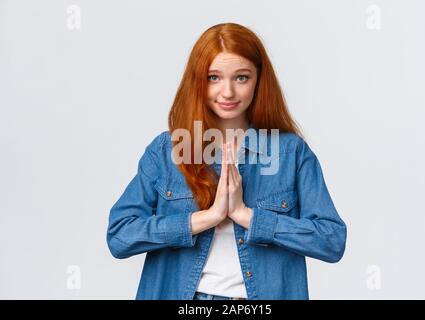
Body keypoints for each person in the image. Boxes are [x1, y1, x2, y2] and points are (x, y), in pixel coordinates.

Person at [106, 22, 347, 300]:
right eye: (214, 78)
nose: (228, 92)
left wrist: (248, 217)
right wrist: (207, 218)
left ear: (258, 80)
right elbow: (120, 236)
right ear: (197, 81)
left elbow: (331, 241)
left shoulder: (291, 153)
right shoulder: (166, 150)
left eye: (241, 78)